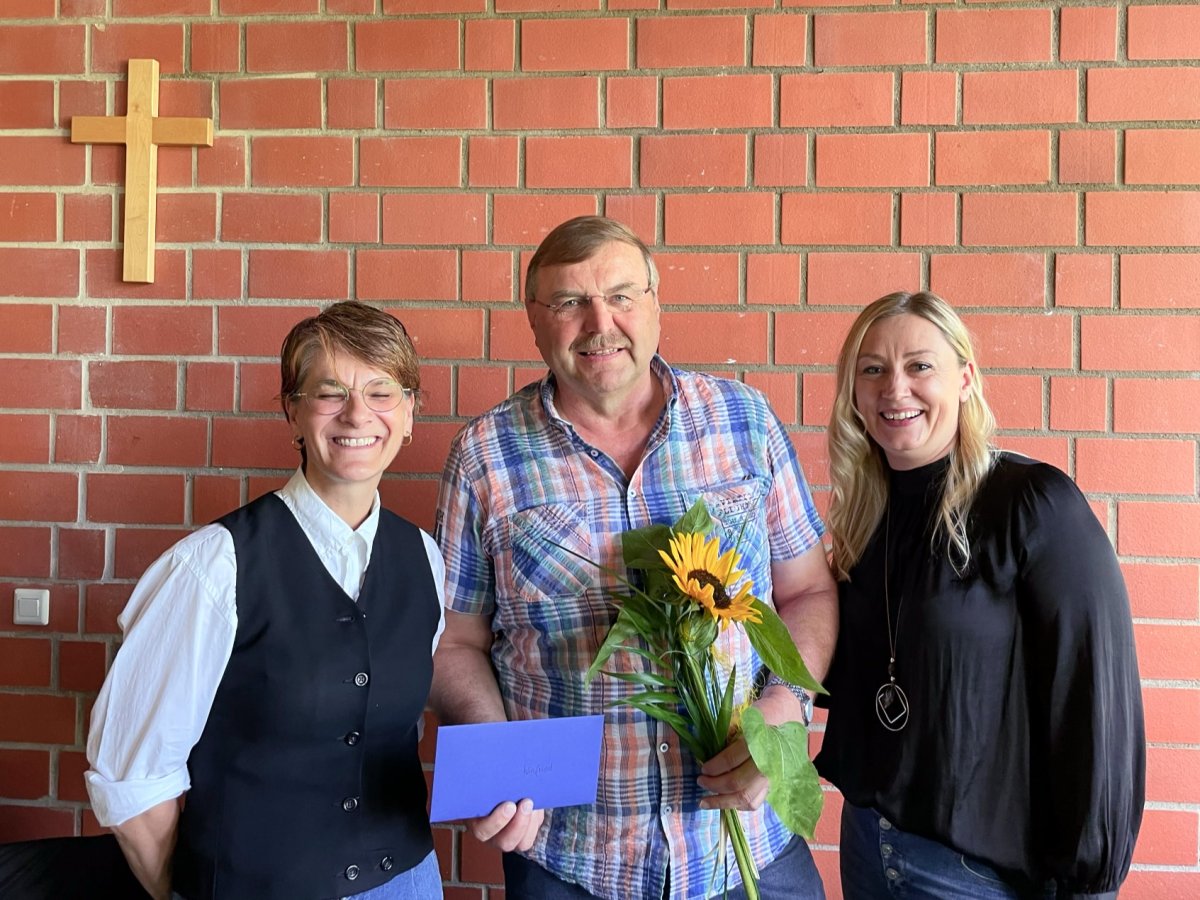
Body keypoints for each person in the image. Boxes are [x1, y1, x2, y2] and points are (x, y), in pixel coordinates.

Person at [431, 215, 838, 899]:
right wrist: (494, 756)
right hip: (570, 857)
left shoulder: (745, 422)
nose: (600, 322)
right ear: (534, 320)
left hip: (748, 852)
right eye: (569, 302)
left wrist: (785, 708)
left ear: (655, 303)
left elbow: (808, 593)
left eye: (621, 295)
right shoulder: (484, 456)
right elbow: (454, 641)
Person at [85, 301, 446, 900]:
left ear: (409, 414)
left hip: (406, 882)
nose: (359, 413)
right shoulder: (212, 567)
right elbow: (131, 777)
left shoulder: (425, 560)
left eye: (383, 392)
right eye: (330, 392)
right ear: (293, 414)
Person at [815, 291, 1145, 899]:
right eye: (873, 369)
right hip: (867, 847)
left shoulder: (1032, 504)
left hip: (977, 876)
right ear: (853, 392)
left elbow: (1092, 701)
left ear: (965, 378)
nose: (895, 389)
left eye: (920, 366)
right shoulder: (865, 517)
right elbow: (857, 676)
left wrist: (1088, 883)